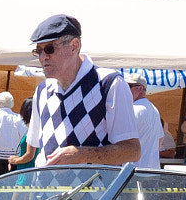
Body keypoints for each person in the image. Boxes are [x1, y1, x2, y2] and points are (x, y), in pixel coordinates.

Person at [24, 14, 139, 167]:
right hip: (47, 190)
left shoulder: (109, 83)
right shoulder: (42, 90)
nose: (43, 57)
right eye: (38, 51)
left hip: (97, 190)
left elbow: (132, 150)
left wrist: (82, 154)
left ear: (74, 46)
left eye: (50, 49)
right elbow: (37, 151)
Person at [127, 76, 166, 169]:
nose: (125, 90)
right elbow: (160, 139)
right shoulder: (154, 110)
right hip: (152, 170)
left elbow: (120, 141)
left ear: (140, 88)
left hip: (134, 170)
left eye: (128, 86)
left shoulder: (132, 109)